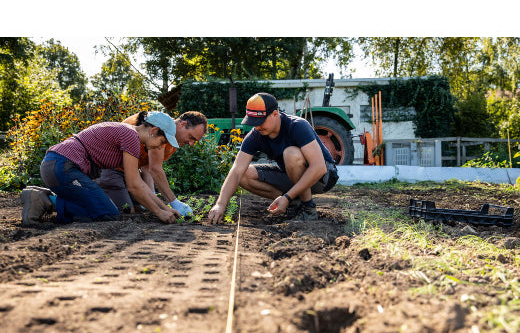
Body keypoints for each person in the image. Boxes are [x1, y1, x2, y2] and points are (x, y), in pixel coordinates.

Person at [22, 112, 182, 225]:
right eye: (163, 141)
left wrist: (164, 208)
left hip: (58, 166)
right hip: (63, 166)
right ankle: (46, 200)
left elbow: (139, 184)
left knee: (104, 208)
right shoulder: (131, 136)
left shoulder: (130, 135)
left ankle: (43, 197)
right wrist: (159, 213)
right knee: (107, 213)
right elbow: (134, 187)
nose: (161, 146)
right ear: (153, 131)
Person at [207, 92, 339, 224]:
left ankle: (308, 209)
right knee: (244, 174)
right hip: (293, 175)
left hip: (323, 177)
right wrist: (220, 204)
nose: (257, 127)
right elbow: (236, 171)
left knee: (291, 154)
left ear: (275, 114)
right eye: (253, 122)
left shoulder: (297, 125)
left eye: (260, 121)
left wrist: (287, 196)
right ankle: (294, 206)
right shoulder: (256, 135)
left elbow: (319, 167)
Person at [96, 110, 207, 216]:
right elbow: (155, 169)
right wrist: (174, 203)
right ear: (183, 124)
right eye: (191, 137)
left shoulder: (175, 140)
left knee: (140, 208)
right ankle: (95, 189)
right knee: (127, 211)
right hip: (110, 167)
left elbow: (147, 166)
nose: (191, 143)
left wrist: (152, 195)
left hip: (130, 172)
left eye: (195, 141)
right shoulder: (162, 129)